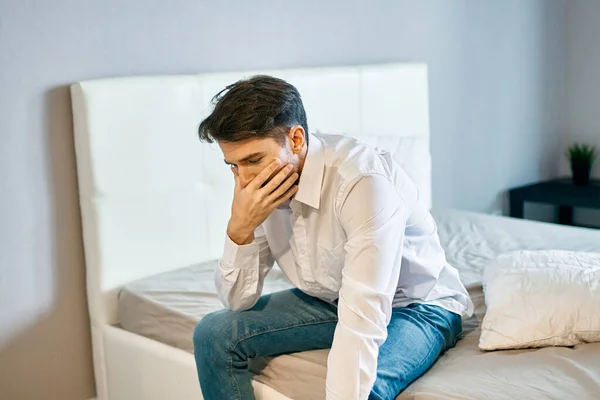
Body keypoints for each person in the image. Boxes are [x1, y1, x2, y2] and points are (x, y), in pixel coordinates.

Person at [193, 75, 473, 400]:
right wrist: (239, 228)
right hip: (330, 299)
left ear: (296, 140)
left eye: (253, 160)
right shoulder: (256, 191)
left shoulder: (362, 183)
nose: (244, 179)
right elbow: (236, 301)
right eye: (233, 166)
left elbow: (363, 316)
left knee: (366, 391)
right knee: (213, 334)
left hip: (416, 304)